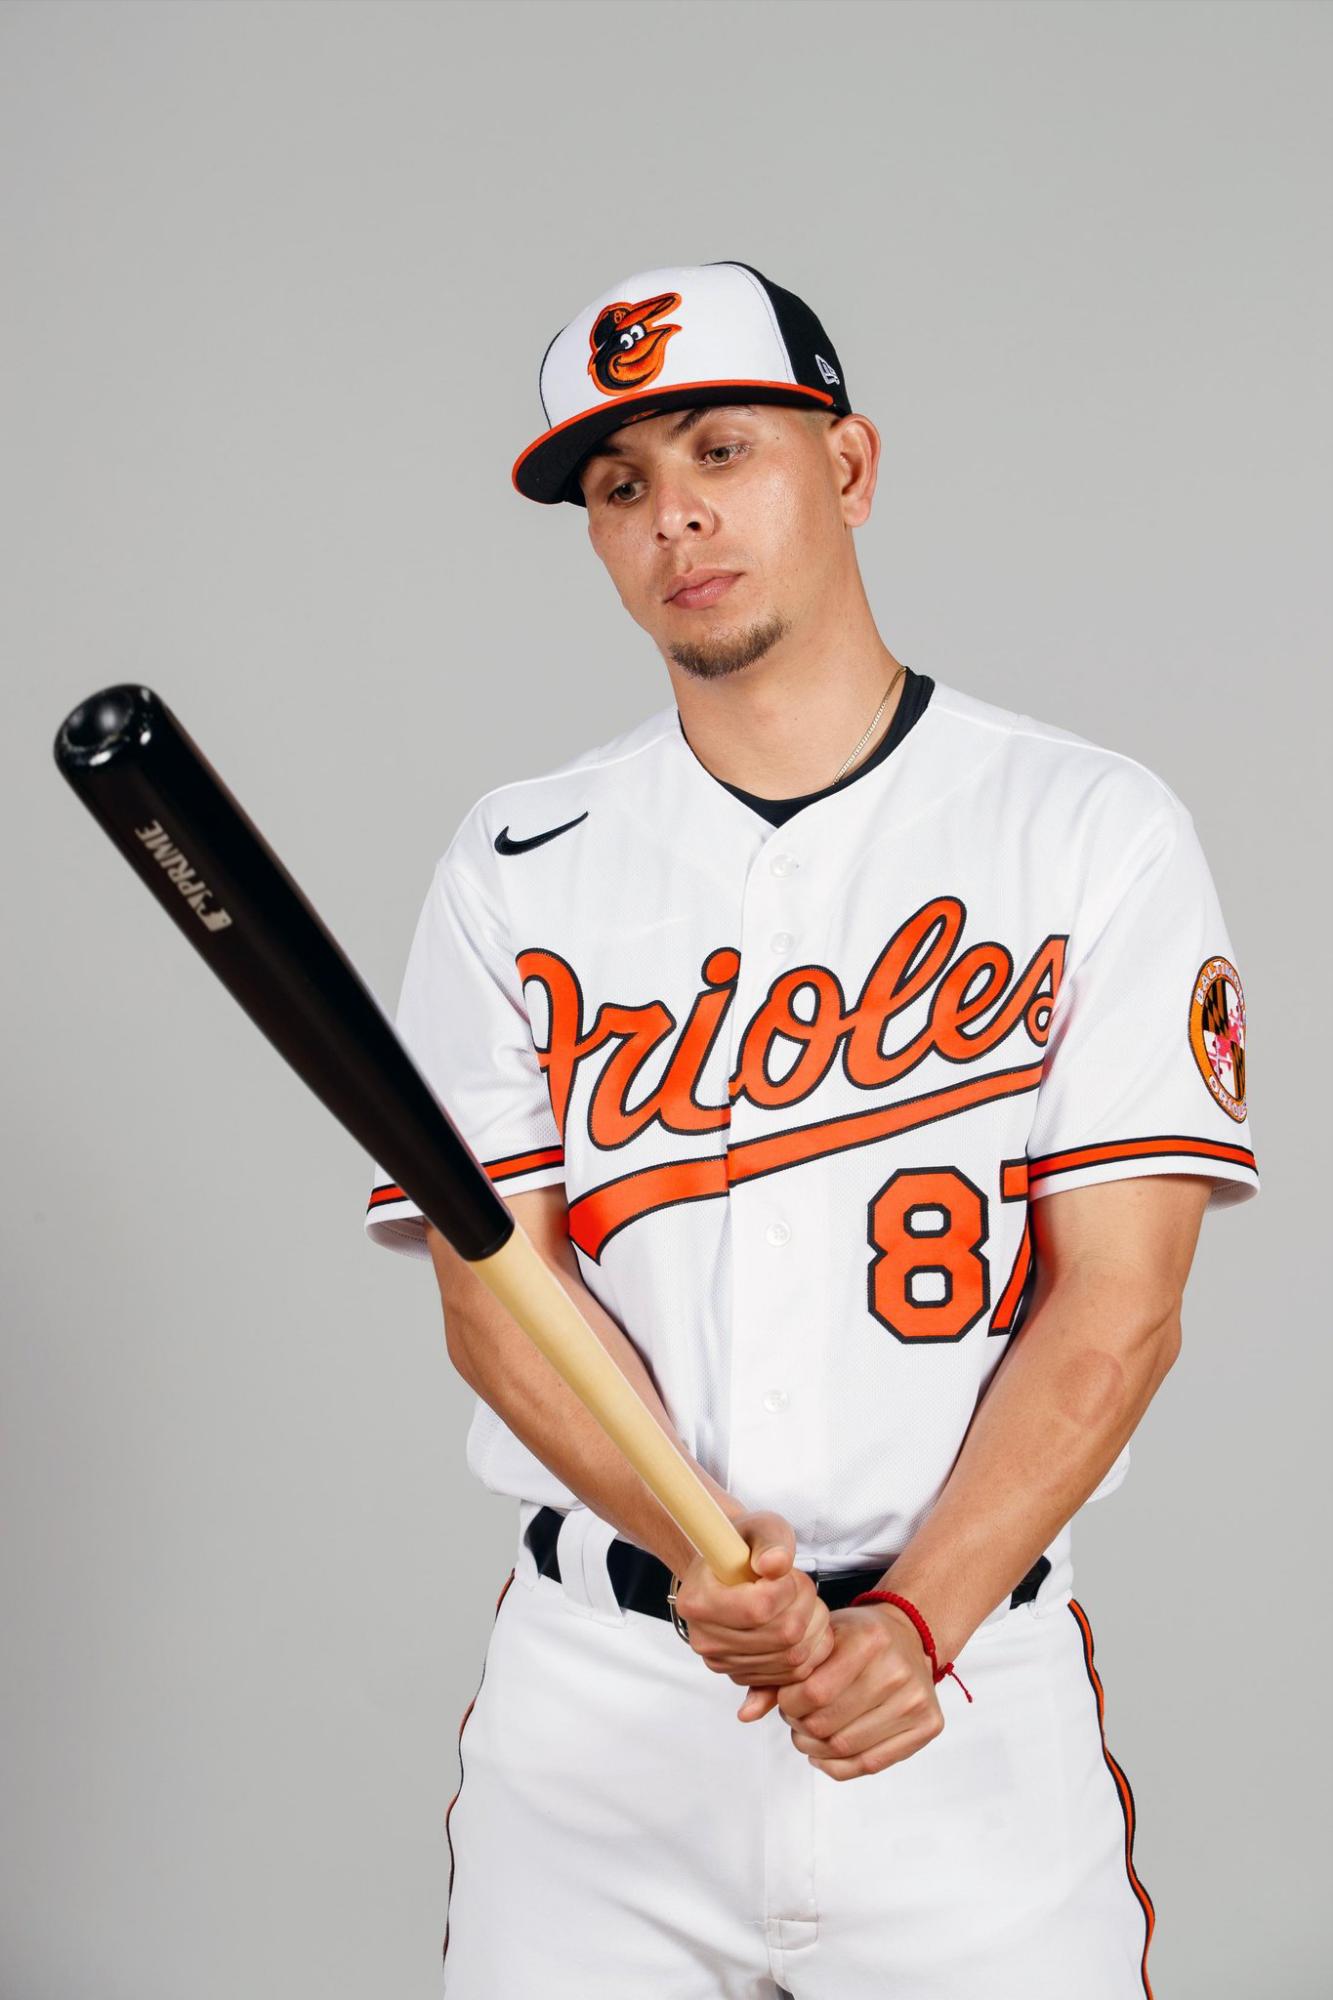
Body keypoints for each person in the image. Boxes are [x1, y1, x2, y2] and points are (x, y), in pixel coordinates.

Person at [364, 261, 1259, 1999]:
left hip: (965, 1699)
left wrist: (913, 1619)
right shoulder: (514, 861)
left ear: (846, 466)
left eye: (722, 450)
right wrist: (696, 1550)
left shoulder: (1086, 826)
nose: (672, 516)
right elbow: (496, 1292)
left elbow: (1121, 1299)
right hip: (606, 1718)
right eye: (617, 486)